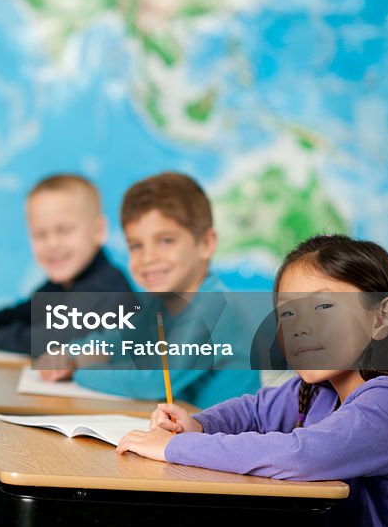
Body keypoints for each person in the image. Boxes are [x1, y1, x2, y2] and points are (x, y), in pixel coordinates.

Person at [118, 235, 388, 527]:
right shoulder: (319, 389)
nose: (299, 327)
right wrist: (197, 425)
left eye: (323, 306)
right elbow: (254, 412)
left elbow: (301, 456)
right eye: (288, 313)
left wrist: (174, 447)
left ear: (382, 318)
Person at [50, 172, 261, 408]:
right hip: (187, 429)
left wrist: (81, 370)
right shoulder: (159, 303)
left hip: (232, 440)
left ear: (205, 244)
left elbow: (155, 382)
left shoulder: (213, 308)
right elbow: (115, 341)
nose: (148, 258)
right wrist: (68, 354)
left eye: (166, 240)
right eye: (136, 246)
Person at [0, 173, 131, 353]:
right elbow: (21, 314)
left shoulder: (106, 286)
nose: (52, 244)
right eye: (39, 234)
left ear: (98, 231)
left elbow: (54, 338)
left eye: (64, 230)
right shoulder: (61, 286)